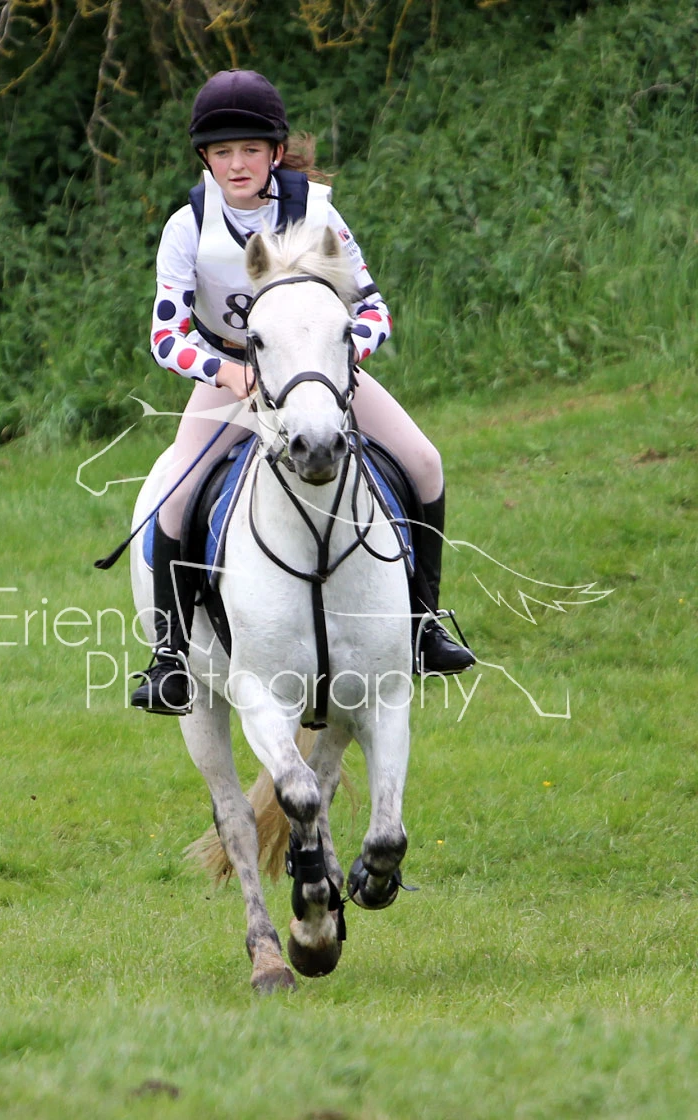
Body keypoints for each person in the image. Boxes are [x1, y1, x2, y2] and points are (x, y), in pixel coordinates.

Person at [131, 69, 475, 715]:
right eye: (223, 152)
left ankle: (423, 623)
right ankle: (171, 656)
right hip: (232, 375)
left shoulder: (317, 213)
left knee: (425, 461)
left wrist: (330, 362)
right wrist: (229, 374)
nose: (237, 164)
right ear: (205, 157)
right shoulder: (187, 226)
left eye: (251, 150)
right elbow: (165, 335)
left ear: (277, 152)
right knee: (173, 497)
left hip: (317, 373)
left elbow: (373, 310)